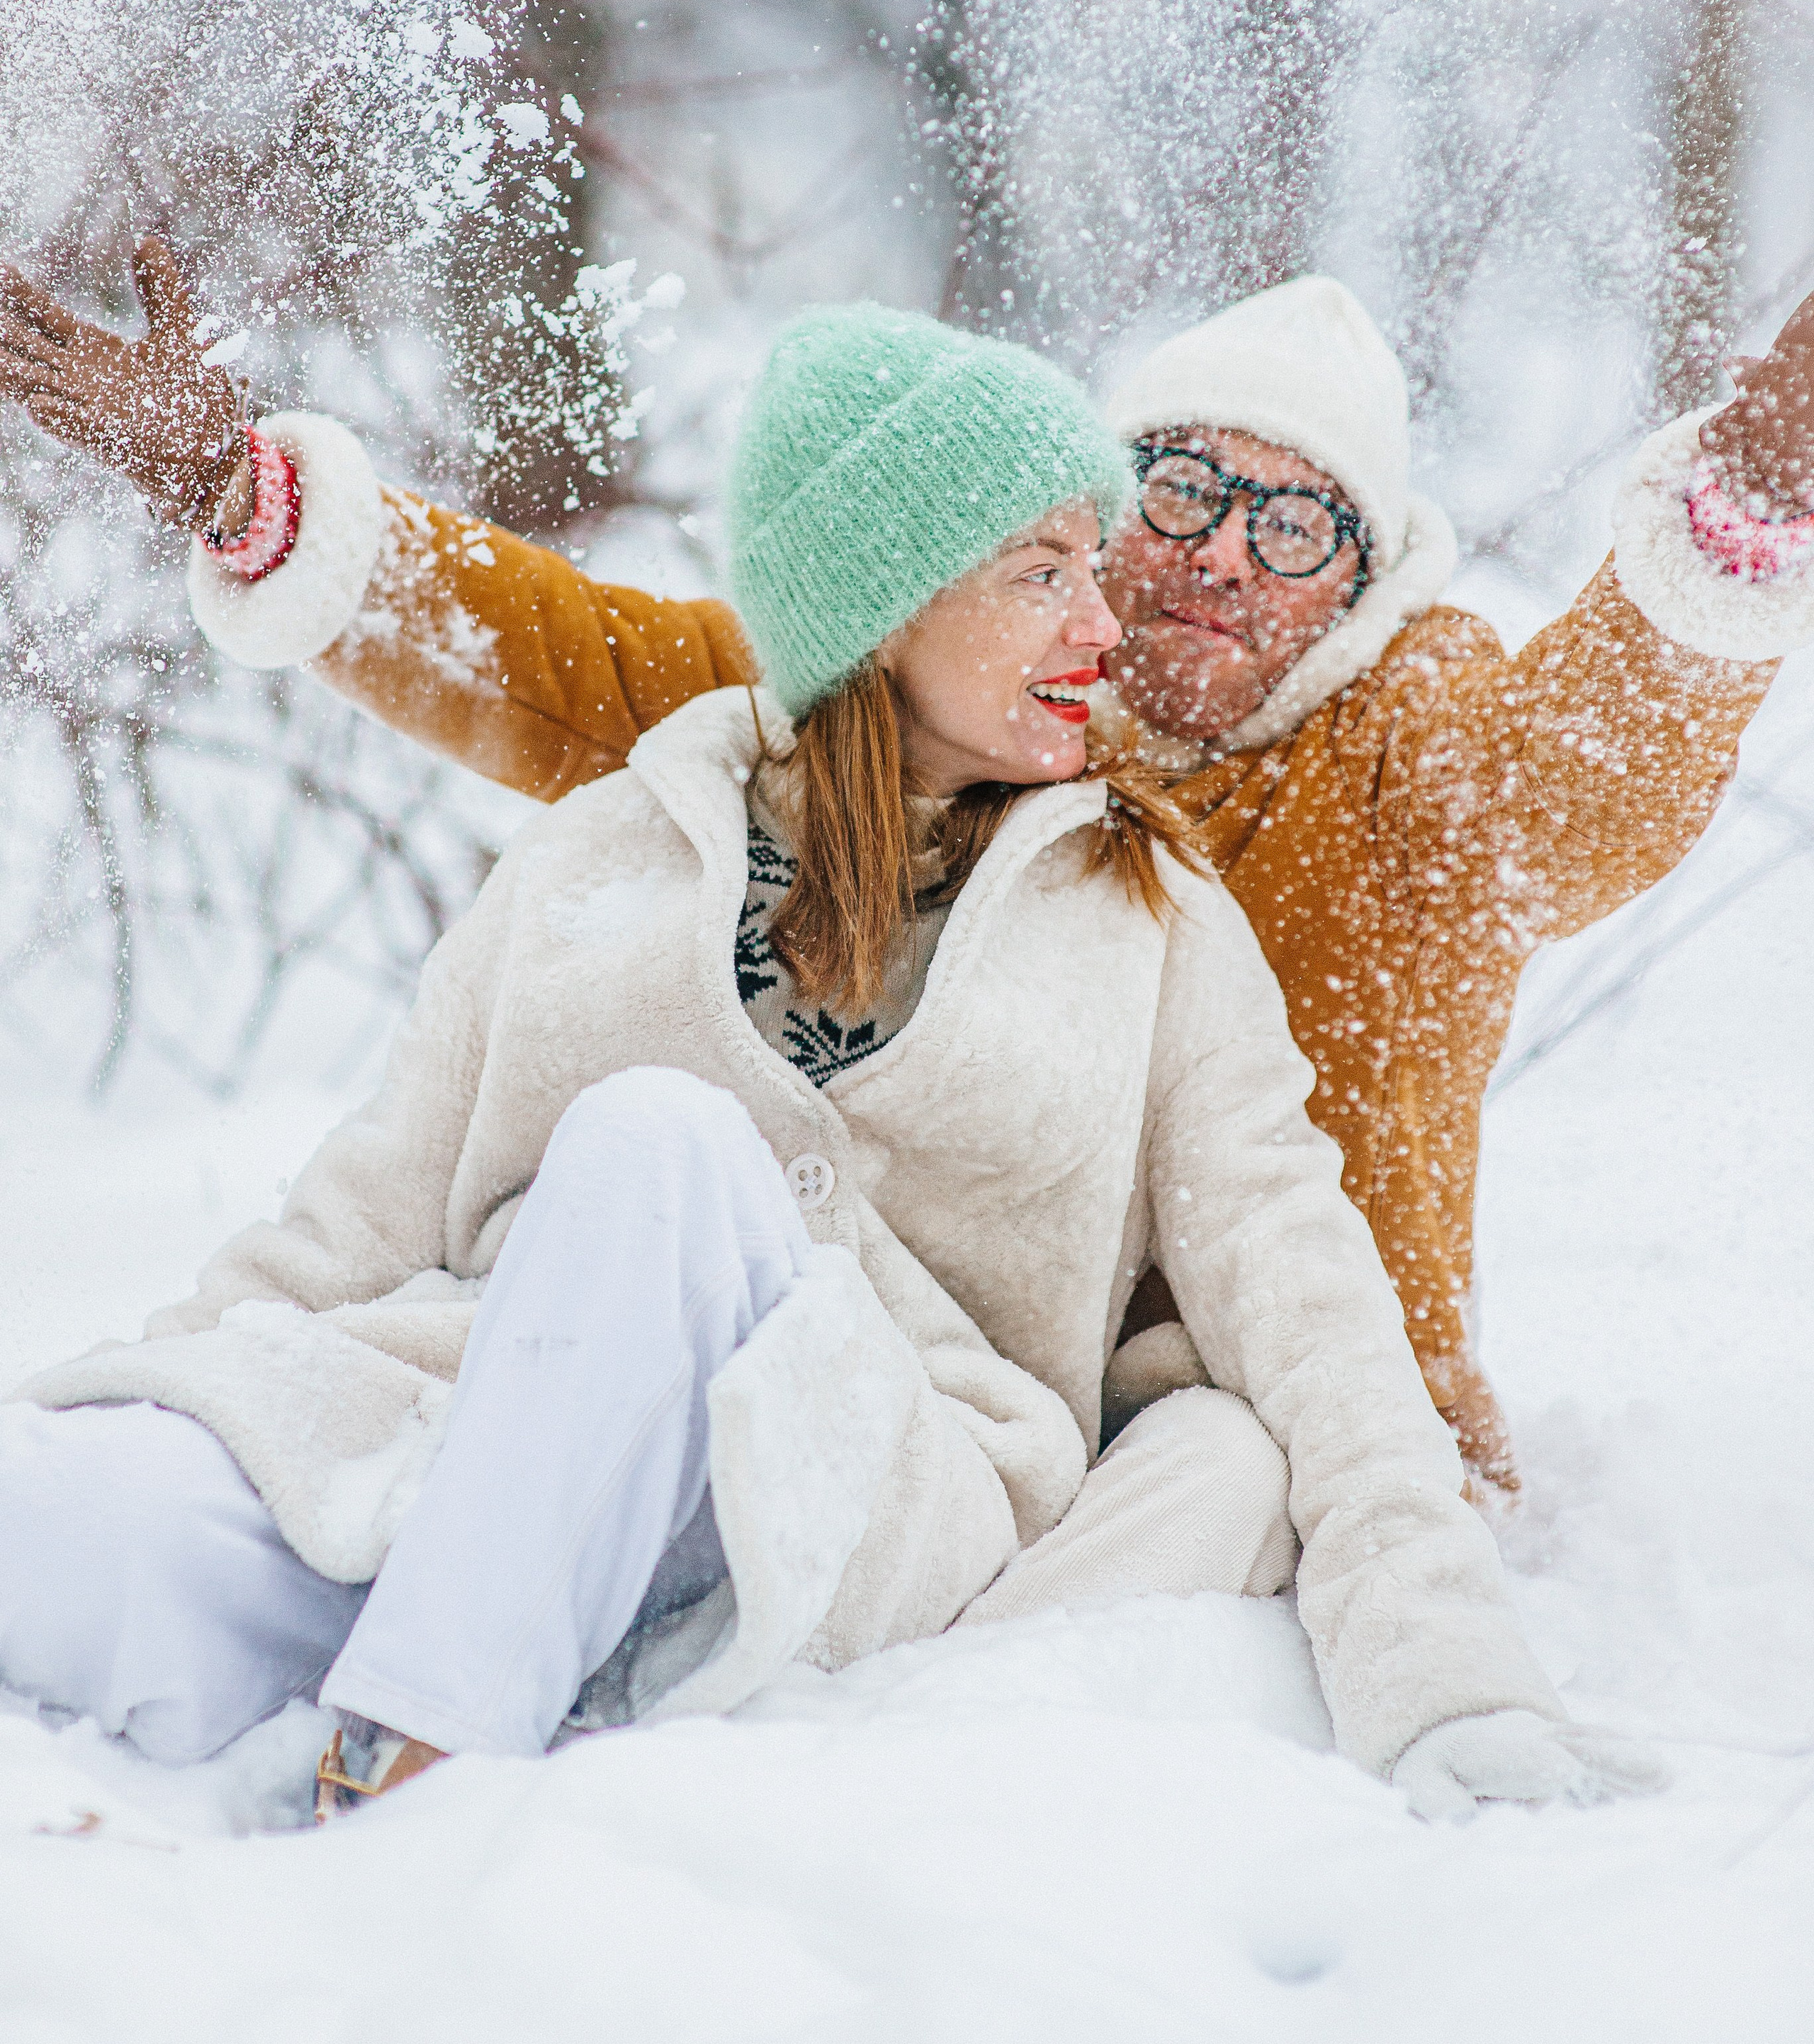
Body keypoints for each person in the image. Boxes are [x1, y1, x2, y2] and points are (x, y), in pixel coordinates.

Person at [0, 306, 1646, 1825]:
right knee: (63, 1520)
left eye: (1103, 561)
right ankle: (512, 1665)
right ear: (887, 604)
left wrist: (1450, 1694)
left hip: (881, 1492)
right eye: (1044, 570)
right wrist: (171, 1393)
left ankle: (420, 1754)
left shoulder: (1155, 924)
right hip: (517, 1455)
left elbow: (1316, 1327)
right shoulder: (613, 848)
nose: (1114, 612)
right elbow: (343, 1232)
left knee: (658, 1142)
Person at [8, 258, 1814, 1487]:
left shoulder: (1417, 772)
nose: (1215, 562)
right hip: (950, 1389)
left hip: (1281, 1433)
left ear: (1356, 579)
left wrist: (1731, 533)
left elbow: (1572, 777)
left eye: (1294, 526)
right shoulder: (987, 694)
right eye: (1178, 493)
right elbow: (584, 663)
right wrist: (247, 495)